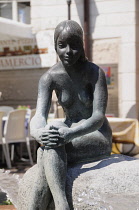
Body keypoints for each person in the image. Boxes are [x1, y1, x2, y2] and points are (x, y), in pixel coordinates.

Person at [30, 20, 112, 210]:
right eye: (62, 45)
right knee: (52, 134)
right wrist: (38, 133)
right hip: (67, 133)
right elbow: (39, 115)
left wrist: (69, 134)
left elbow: (98, 117)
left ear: (81, 46)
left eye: (74, 46)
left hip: (96, 135)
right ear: (55, 46)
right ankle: (61, 203)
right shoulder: (48, 78)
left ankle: (55, 204)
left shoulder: (95, 73)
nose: (68, 51)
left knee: (46, 150)